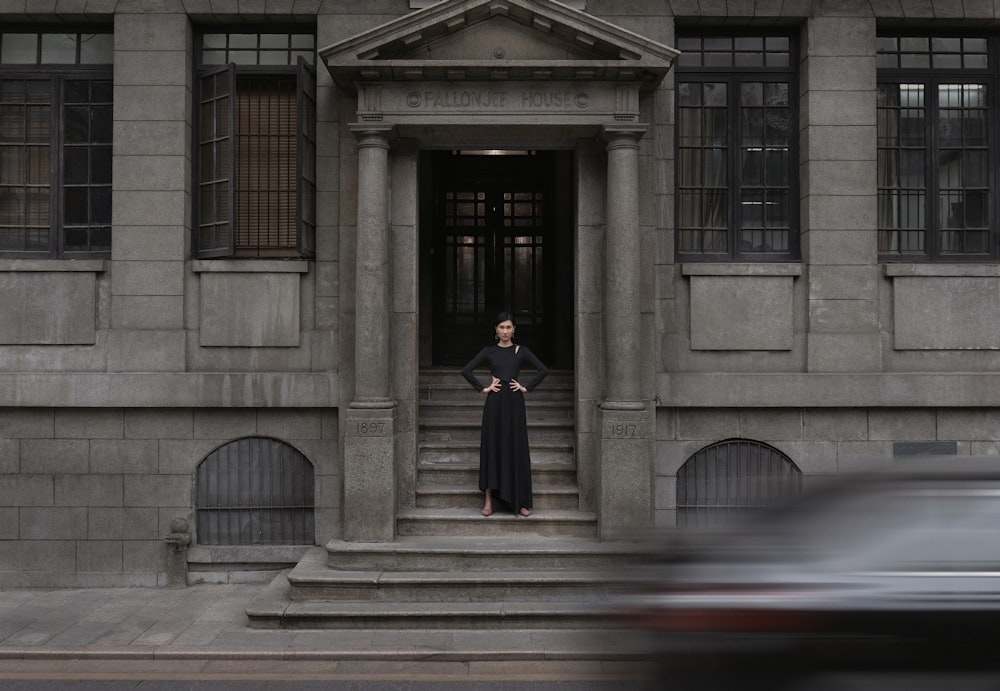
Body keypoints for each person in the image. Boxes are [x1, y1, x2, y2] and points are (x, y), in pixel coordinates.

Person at [461, 312, 548, 517]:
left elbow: (542, 370)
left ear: (514, 329)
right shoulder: (489, 351)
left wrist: (526, 387)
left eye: (509, 327)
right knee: (492, 446)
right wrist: (484, 388)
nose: (506, 331)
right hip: (495, 403)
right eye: (502, 327)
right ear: (496, 330)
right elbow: (467, 370)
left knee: (515, 446)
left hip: (515, 404)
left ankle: (521, 502)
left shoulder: (521, 351)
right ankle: (488, 501)